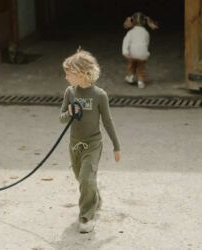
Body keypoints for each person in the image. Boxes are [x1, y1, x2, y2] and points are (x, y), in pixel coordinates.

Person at [60, 48, 121, 233]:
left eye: (68, 73)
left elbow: (108, 121)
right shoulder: (70, 92)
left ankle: (86, 217)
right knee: (82, 178)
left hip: (93, 144)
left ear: (81, 74)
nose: (65, 77)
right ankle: (95, 197)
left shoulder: (99, 95)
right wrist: (68, 112)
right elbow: (61, 118)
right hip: (75, 144)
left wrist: (116, 147)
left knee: (87, 177)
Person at [122, 12, 158, 89]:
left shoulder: (130, 32)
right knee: (141, 67)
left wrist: (125, 52)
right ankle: (140, 81)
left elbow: (126, 42)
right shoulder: (146, 33)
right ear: (144, 22)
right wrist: (146, 52)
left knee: (132, 65)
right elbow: (147, 43)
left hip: (133, 54)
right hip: (143, 54)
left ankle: (131, 77)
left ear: (132, 22)